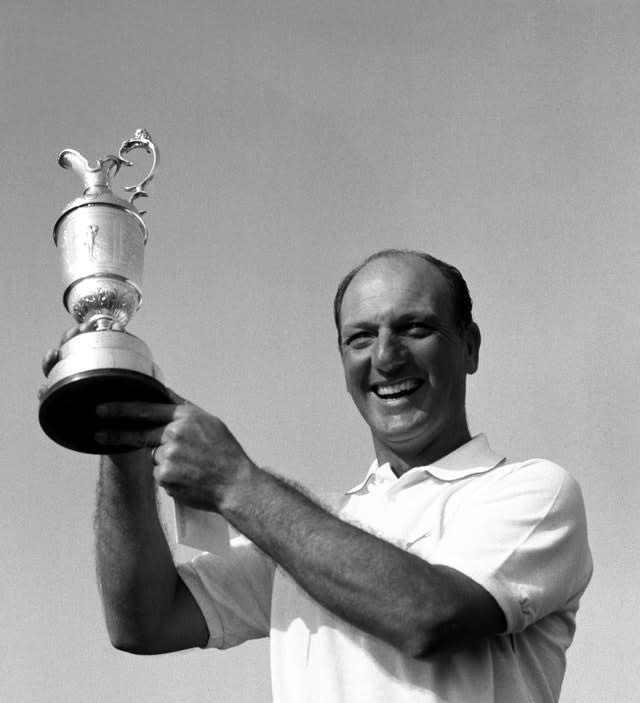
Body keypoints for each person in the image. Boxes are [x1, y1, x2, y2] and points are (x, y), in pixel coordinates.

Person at [43, 249, 592, 702]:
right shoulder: (303, 534)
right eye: (360, 338)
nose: (387, 356)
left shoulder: (534, 492)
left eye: (416, 327)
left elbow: (428, 616)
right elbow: (144, 622)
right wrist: (122, 432)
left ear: (469, 347)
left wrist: (237, 483)